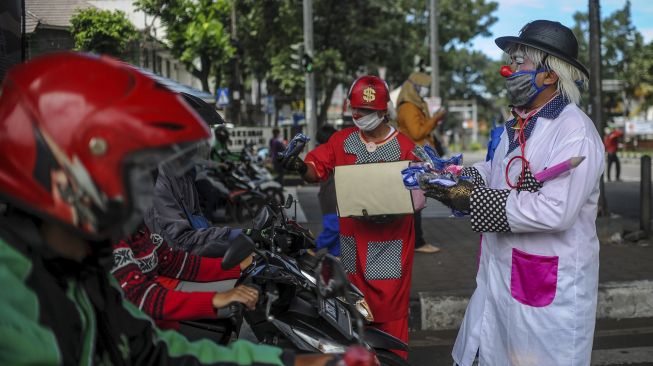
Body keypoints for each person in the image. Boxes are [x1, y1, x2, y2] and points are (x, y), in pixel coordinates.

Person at [0, 52, 374, 366]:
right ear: (61, 174)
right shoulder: (14, 306)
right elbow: (156, 287)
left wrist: (288, 362)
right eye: (127, 167)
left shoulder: (83, 268)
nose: (139, 185)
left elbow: (153, 349)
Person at [419, 21, 604, 366]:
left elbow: (556, 211)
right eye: (512, 61)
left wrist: (471, 199)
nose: (510, 70)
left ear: (550, 75)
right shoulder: (521, 122)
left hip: (545, 291)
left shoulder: (575, 132)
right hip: (503, 273)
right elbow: (499, 170)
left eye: (521, 62)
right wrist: (456, 178)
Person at [282, 75, 417, 359]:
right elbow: (315, 169)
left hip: (390, 245)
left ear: (382, 111)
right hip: (353, 246)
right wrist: (296, 163)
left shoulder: (406, 148)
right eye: (355, 109)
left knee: (389, 314)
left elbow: (418, 196)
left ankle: (392, 361)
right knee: (355, 312)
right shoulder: (341, 141)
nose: (358, 115)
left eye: (366, 111)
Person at [112, 223, 256, 330]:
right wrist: (215, 299)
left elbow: (172, 261)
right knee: (247, 301)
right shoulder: (112, 237)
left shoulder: (139, 228)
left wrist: (238, 266)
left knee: (251, 284)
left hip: (164, 325)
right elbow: (138, 296)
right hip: (146, 335)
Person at [396, 72, 447, 254]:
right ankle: (417, 242)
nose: (426, 89)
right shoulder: (408, 107)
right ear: (415, 86)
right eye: (424, 85)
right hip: (412, 159)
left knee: (414, 202)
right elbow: (417, 133)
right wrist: (435, 119)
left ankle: (414, 240)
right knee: (414, 203)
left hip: (415, 158)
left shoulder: (414, 105)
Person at [315, 124, 340, 256]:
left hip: (336, 194)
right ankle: (310, 247)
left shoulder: (325, 151)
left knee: (339, 233)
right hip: (332, 196)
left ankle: (332, 262)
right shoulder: (325, 153)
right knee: (334, 228)